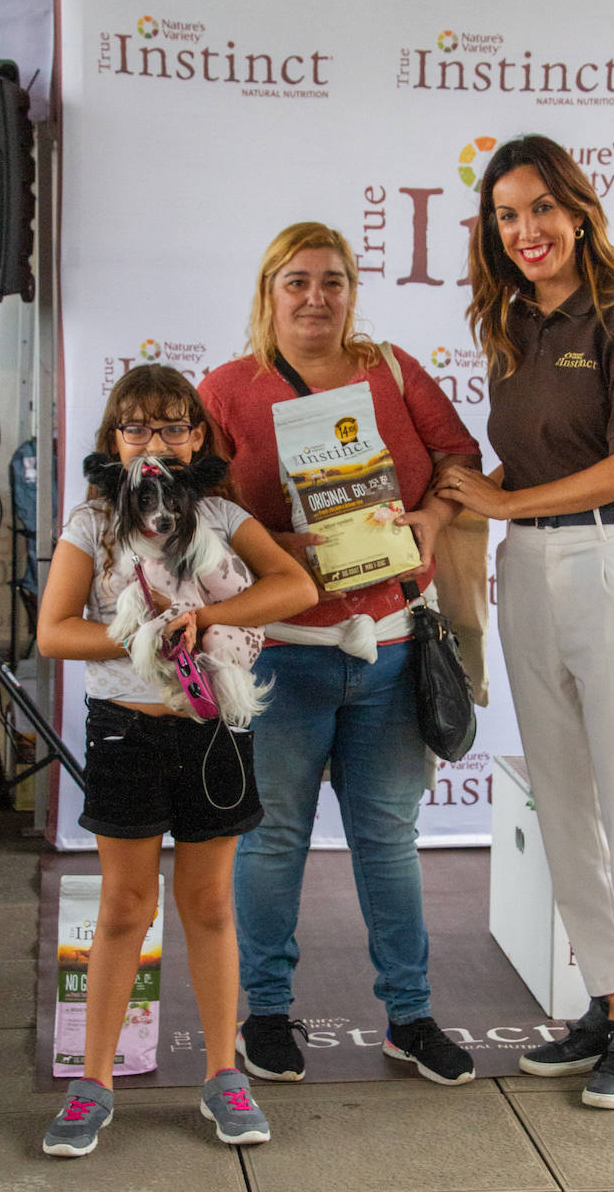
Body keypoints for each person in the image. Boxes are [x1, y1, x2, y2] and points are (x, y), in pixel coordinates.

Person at [434, 135, 614, 1110]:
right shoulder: (508, 327)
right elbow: (524, 467)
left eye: (540, 208)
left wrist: (504, 505)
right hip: (530, 571)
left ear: (578, 210)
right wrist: (466, 497)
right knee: (565, 803)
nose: (524, 230)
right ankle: (605, 1000)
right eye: (505, 216)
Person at [198, 221, 481, 1086]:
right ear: (268, 292)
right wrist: (292, 547)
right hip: (282, 652)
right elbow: (202, 520)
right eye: (297, 282)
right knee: (273, 840)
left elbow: (459, 460)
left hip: (390, 648)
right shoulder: (227, 389)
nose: (315, 297)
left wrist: (429, 521)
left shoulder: (390, 370)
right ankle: (268, 1015)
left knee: (388, 840)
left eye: (332, 280)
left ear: (353, 289)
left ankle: (410, 1015)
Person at [37, 365, 317, 1156]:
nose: (154, 442)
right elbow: (54, 633)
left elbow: (293, 586)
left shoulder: (223, 513)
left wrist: (204, 618)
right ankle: (92, 1084)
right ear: (113, 441)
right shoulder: (90, 523)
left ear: (198, 437)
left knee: (212, 906)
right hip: (126, 730)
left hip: (214, 730)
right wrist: (144, 636)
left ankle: (225, 1076)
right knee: (126, 907)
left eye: (170, 426)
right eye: (136, 427)